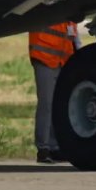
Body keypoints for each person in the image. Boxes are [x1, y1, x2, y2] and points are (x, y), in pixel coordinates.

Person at [27, 22, 79, 163]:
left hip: (61, 61)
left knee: (57, 106)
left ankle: (54, 147)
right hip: (44, 58)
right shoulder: (48, 11)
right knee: (46, 104)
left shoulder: (70, 17)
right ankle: (43, 148)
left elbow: (73, 40)